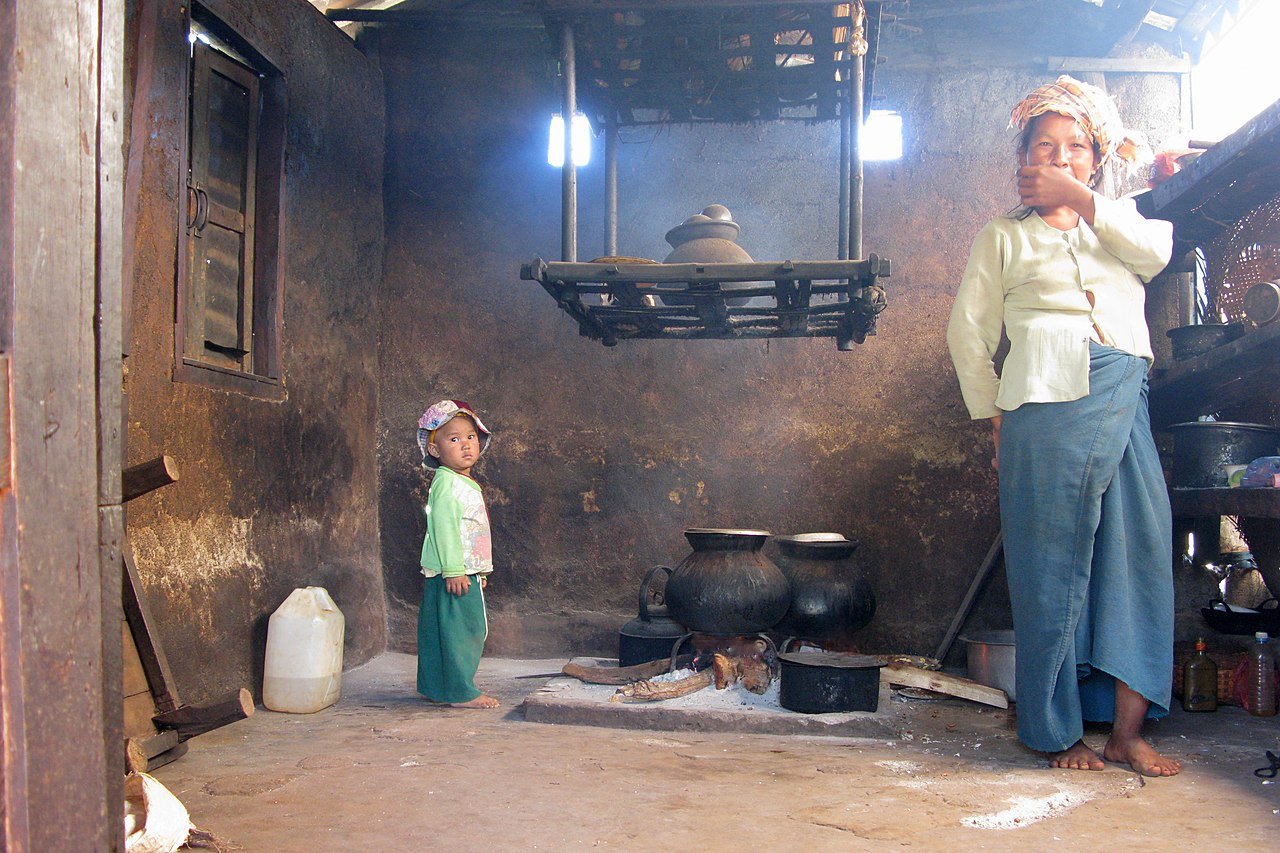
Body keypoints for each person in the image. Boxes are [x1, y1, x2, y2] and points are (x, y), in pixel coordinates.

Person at [946, 76, 1181, 777]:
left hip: (1121, 399)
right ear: (1023, 159)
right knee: (1049, 568)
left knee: (1138, 554)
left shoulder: (1127, 225)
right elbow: (967, 333)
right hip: (1039, 410)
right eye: (1045, 145)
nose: (1061, 156)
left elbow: (1155, 255)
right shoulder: (1002, 238)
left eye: (1076, 147)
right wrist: (991, 416)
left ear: (1096, 161)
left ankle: (1128, 732)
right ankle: (1057, 731)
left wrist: (1082, 203)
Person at [415, 399, 499, 709]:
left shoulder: (457, 481)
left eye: (471, 437)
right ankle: (461, 692)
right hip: (453, 573)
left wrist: (479, 570)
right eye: (454, 439)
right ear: (435, 450)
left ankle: (436, 686)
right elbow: (445, 529)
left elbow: (470, 531)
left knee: (440, 629)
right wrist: (454, 570)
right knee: (464, 632)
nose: (466, 445)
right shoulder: (448, 485)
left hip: (464, 571)